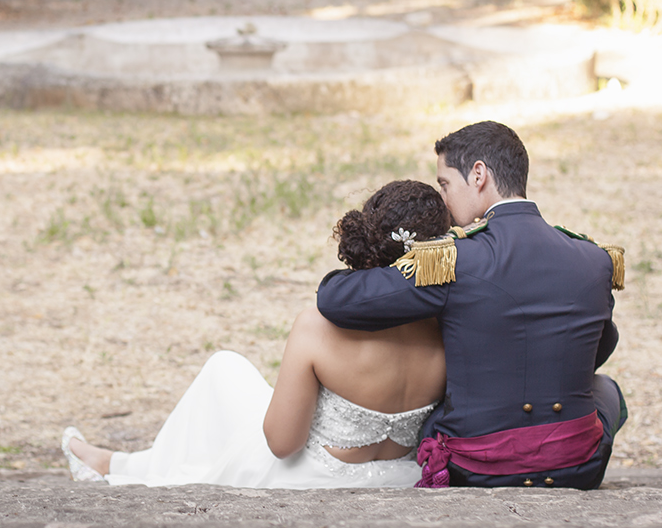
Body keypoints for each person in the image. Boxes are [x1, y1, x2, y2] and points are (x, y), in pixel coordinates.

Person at [61, 180, 449, 489]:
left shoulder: (317, 327)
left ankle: (118, 465)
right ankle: (119, 462)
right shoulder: (450, 326)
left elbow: (282, 445)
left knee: (223, 371)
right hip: (399, 476)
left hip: (313, 479)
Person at [315, 119, 626, 489]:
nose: (443, 199)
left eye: (445, 183)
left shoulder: (457, 259)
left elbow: (337, 299)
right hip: (579, 464)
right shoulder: (593, 258)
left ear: (478, 174)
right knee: (607, 389)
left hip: (479, 465)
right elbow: (600, 347)